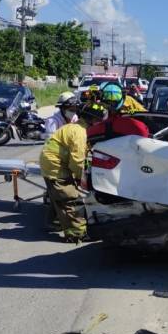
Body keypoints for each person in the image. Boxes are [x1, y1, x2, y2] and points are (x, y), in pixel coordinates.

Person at [39, 102, 106, 243]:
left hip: (50, 164)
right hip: (55, 167)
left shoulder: (73, 127)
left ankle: (54, 223)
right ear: (93, 120)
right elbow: (77, 160)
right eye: (98, 121)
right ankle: (77, 234)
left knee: (58, 196)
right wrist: (80, 179)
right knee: (70, 200)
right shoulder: (80, 133)